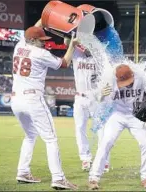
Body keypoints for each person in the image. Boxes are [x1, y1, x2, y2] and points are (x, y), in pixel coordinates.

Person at [11, 19, 79, 190]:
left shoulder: (19, 45)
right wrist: (73, 45)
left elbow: (35, 28)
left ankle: (23, 171)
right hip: (33, 99)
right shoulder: (40, 54)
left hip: (16, 100)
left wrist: (44, 17)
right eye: (41, 40)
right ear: (33, 40)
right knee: (50, 139)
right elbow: (64, 63)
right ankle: (58, 178)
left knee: (30, 136)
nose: (44, 42)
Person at [88, 63, 146, 190]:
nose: (126, 84)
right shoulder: (109, 80)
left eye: (128, 81)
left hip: (136, 114)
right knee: (106, 142)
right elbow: (98, 99)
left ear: (132, 74)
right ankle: (94, 177)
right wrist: (102, 94)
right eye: (123, 82)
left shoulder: (142, 76)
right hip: (117, 115)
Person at [63, 37, 111, 172]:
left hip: (97, 97)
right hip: (80, 97)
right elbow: (67, 42)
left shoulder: (101, 57)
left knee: (102, 130)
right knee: (80, 128)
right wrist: (76, 35)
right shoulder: (77, 53)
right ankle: (85, 158)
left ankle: (104, 161)